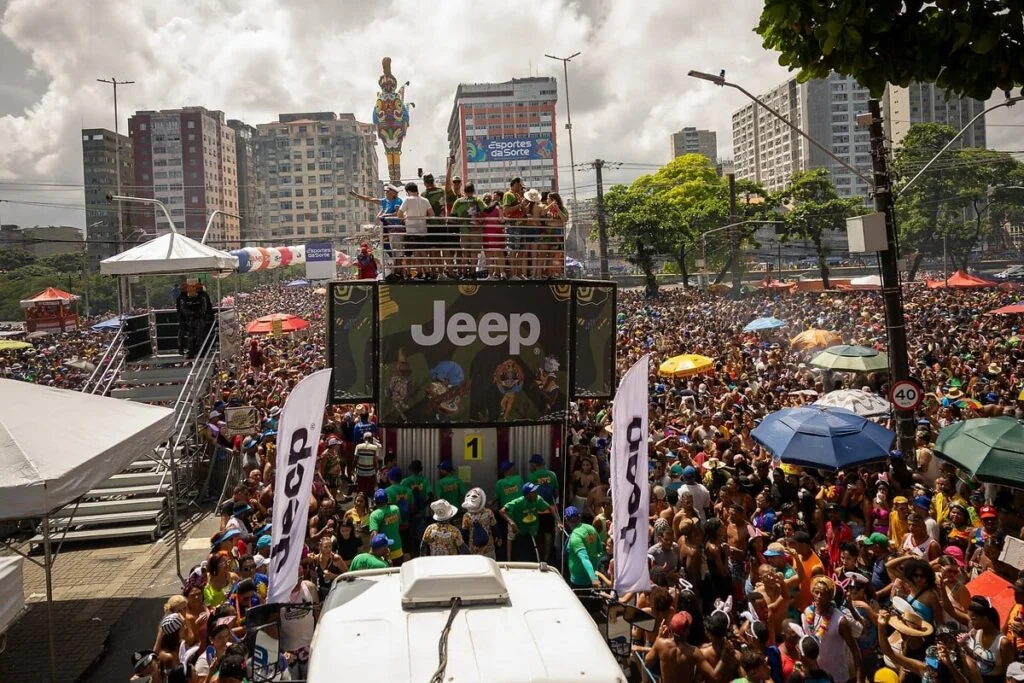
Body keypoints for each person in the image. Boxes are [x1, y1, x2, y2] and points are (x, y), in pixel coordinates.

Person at [500, 482, 562, 563]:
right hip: (521, 533)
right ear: (527, 495)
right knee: (523, 557)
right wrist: (511, 523)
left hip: (534, 532)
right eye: (533, 492)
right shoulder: (518, 502)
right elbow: (502, 511)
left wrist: (558, 521)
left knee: (536, 556)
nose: (536, 493)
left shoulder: (538, 499)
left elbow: (550, 508)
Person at [448, 181, 486, 277]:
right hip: (476, 231)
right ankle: (472, 273)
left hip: (464, 231)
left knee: (465, 253)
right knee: (474, 254)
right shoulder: (477, 200)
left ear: (464, 191)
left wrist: (461, 222)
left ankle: (464, 273)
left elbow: (452, 216)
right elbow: (486, 210)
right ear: (473, 191)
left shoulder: (458, 201)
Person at [398, 181, 434, 277]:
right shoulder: (425, 200)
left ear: (408, 191)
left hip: (411, 231)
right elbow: (432, 214)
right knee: (424, 253)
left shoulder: (407, 200)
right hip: (423, 230)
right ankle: (427, 272)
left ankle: (419, 273)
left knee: (416, 253)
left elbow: (399, 214)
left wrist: (405, 217)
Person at [564, 506, 603, 588]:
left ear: (566, 520)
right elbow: (600, 549)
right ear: (579, 517)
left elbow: (584, 558)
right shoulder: (591, 528)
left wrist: (593, 579)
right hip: (594, 575)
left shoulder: (575, 536)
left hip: (579, 581)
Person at [368, 488, 406, 565]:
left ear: (375, 501)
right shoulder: (395, 509)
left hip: (383, 551)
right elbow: (399, 524)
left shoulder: (374, 515)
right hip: (398, 547)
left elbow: (374, 534)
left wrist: (370, 554)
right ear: (387, 499)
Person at [461, 487, 497, 558]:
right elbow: (494, 526)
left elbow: (464, 532)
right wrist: (498, 537)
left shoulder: (466, 516)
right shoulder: (488, 512)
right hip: (488, 547)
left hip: (474, 547)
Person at [353, 431, 382, 497]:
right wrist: (376, 471)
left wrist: (353, 470)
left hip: (360, 473)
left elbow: (355, 460)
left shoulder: (358, 446)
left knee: (360, 491)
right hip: (370, 474)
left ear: (363, 439)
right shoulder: (375, 448)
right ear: (371, 439)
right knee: (371, 491)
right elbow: (375, 462)